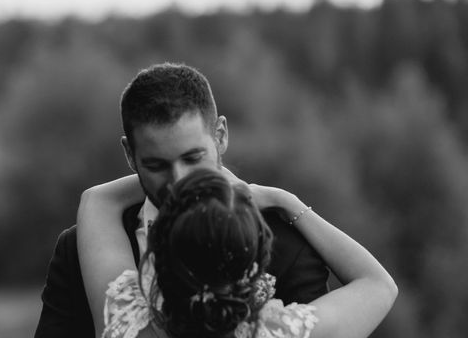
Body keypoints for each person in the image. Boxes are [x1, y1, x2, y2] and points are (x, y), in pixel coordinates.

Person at [34, 63, 329, 337]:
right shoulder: (78, 248)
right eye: (157, 165)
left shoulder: (290, 247)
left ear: (221, 135)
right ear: (130, 155)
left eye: (192, 158)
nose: (179, 182)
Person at [77, 169, 398, 338]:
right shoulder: (280, 334)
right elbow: (378, 284)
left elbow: (97, 201)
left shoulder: (123, 322)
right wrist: (286, 201)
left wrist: (177, 174)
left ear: (155, 255)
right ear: (253, 270)